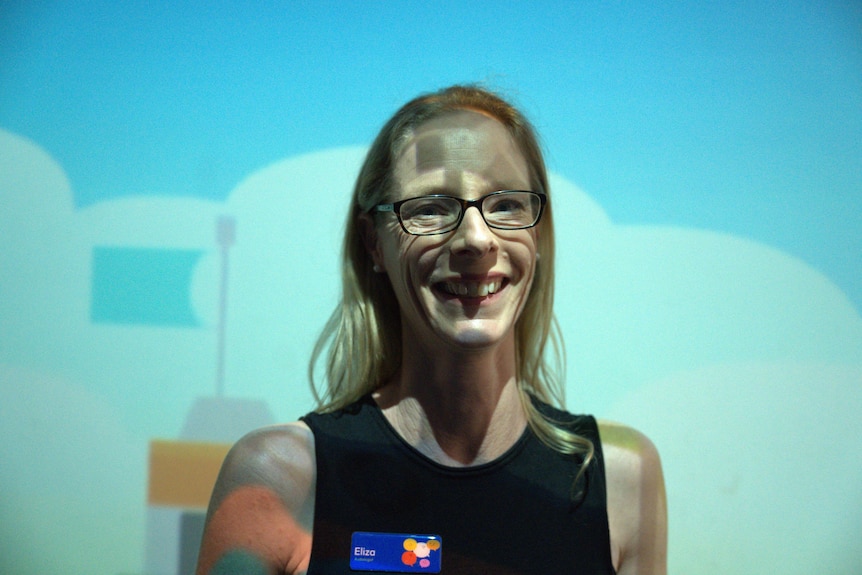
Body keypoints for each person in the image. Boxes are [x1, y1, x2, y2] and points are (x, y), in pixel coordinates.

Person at [195, 85, 667, 575]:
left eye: (506, 204)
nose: (476, 238)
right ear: (373, 242)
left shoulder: (620, 478)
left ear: (539, 233)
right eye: (430, 208)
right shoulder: (280, 477)